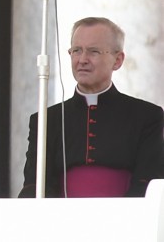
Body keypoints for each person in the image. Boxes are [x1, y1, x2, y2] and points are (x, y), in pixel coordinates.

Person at [18, 17, 164, 198]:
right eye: (76, 51)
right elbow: (34, 185)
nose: (82, 59)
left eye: (93, 51)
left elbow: (148, 182)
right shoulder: (47, 120)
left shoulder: (147, 116)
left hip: (125, 221)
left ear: (117, 60)